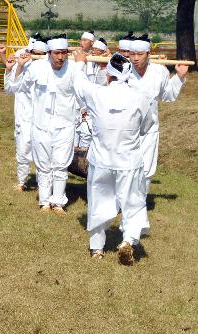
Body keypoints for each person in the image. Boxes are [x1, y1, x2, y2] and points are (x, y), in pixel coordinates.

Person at [72, 52, 153, 265]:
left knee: (98, 202)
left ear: (108, 76)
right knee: (133, 203)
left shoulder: (96, 93)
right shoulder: (141, 98)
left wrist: (80, 62)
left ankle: (97, 249)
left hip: (102, 161)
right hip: (129, 161)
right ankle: (128, 241)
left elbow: (79, 83)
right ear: (128, 77)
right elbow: (146, 127)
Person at [6, 34, 80, 215]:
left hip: (65, 125)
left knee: (61, 165)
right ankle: (45, 201)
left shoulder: (75, 69)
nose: (60, 57)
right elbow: (14, 88)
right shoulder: (36, 68)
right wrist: (19, 67)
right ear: (49, 53)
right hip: (40, 125)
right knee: (43, 164)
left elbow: (86, 93)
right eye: (56, 53)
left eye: (64, 53)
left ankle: (59, 202)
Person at [126, 33, 188, 235]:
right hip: (125, 130)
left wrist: (178, 76)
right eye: (132, 54)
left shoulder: (160, 72)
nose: (135, 58)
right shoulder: (123, 70)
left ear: (148, 53)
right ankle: (124, 204)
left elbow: (168, 96)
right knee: (125, 169)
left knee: (145, 172)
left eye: (140, 54)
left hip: (150, 130)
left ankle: (138, 208)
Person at [1, 45, 34, 191]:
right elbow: (9, 88)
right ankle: (22, 181)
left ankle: (46, 183)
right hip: (23, 116)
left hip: (44, 118)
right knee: (22, 149)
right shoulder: (20, 65)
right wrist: (10, 68)